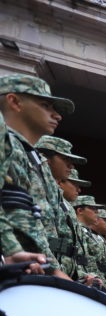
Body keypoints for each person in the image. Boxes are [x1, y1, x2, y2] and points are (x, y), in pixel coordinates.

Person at [0, 74, 74, 278]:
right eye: (45, 105)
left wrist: (54, 268)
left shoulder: (32, 157)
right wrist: (12, 249)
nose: (57, 115)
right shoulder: (7, 142)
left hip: (32, 266)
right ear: (15, 101)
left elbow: (37, 223)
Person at [35, 135, 89, 279]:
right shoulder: (34, 182)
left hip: (55, 272)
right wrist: (54, 270)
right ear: (45, 157)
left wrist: (81, 276)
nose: (71, 166)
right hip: (36, 269)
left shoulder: (55, 195)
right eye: (66, 160)